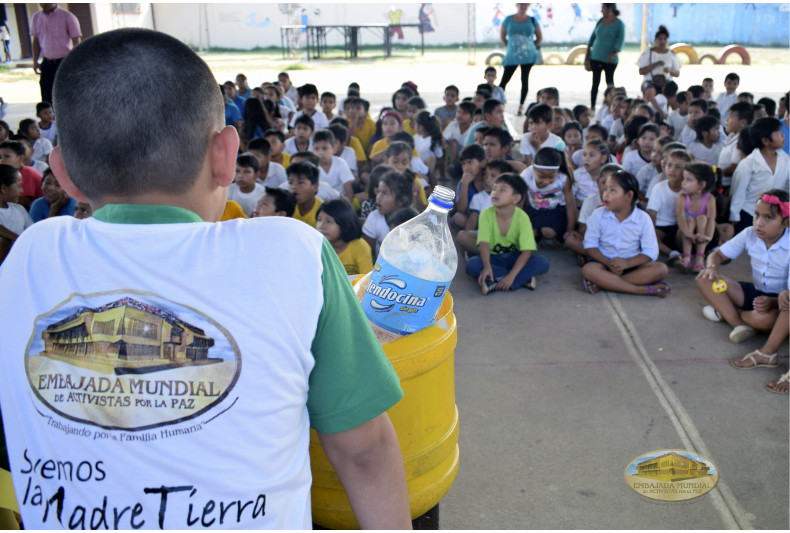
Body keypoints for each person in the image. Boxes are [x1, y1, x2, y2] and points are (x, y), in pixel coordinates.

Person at [0, 28, 411, 530]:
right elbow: (364, 452)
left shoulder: (28, 259)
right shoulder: (293, 254)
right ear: (224, 155)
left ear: (62, 174)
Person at [696, 190, 789, 346]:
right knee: (704, 277)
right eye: (757, 215)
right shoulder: (749, 234)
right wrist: (712, 267)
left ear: (786, 222)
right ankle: (739, 324)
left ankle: (725, 312)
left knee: (765, 321)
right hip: (753, 293)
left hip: (780, 303)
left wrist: (772, 302)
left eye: (769, 218)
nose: (759, 222)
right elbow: (717, 255)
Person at [582, 170, 670, 297]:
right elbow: (590, 246)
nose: (605, 194)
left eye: (612, 190)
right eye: (605, 189)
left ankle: (603, 284)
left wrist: (626, 264)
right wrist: (609, 264)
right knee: (589, 270)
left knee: (661, 269)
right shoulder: (598, 214)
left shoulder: (643, 218)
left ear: (628, 195)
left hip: (632, 264)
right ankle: (644, 290)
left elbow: (650, 252)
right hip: (604, 263)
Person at [466, 172, 550, 294]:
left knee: (542, 262)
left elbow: (527, 251)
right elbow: (484, 243)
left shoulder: (522, 217)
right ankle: (523, 279)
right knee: (472, 264)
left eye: (502, 190)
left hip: (515, 257)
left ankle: (495, 281)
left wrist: (511, 276)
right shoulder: (486, 214)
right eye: (494, 189)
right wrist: (487, 266)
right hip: (493, 257)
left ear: (516, 198)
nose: (495, 192)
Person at [729, 118, 790, 234]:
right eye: (778, 133)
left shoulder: (786, 160)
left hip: (775, 214)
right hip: (750, 212)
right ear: (766, 141)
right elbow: (739, 192)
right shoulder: (749, 163)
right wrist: (734, 216)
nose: (783, 136)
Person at [520, 145, 577, 246]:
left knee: (548, 232)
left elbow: (570, 205)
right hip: (534, 210)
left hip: (555, 211)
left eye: (551, 177)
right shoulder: (526, 176)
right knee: (529, 233)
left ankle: (548, 236)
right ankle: (537, 233)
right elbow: (520, 201)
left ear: (557, 172)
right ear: (533, 169)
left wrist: (570, 231)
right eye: (541, 176)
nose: (546, 181)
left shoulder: (563, 179)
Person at [30, 3, 81, 105]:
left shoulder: (67, 16)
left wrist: (76, 61)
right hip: (47, 62)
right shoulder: (36, 17)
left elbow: (76, 40)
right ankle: (49, 119)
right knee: (46, 94)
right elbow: (36, 41)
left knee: (66, 93)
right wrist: (35, 60)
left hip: (64, 61)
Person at [498, 3, 542, 116]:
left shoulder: (532, 20)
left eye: (525, 4)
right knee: (504, 80)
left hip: (528, 56)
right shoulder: (508, 19)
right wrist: (512, 46)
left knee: (524, 80)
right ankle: (498, 104)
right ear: (517, 5)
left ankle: (521, 106)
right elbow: (503, 36)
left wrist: (530, 46)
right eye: (521, 4)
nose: (523, 6)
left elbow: (539, 37)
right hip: (512, 55)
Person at [362, 169, 413, 261]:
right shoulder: (374, 218)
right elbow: (369, 253)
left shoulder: (412, 220)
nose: (378, 197)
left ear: (401, 200)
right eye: (378, 192)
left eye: (384, 193)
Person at [647, 148, 690, 258]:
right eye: (669, 165)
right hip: (661, 227)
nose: (672, 169)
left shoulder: (689, 189)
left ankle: (686, 255)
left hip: (679, 228)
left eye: (678, 167)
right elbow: (652, 214)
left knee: (686, 229)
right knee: (650, 236)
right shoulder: (659, 188)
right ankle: (672, 253)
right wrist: (652, 232)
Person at [674, 162, 717, 273]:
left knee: (702, 218)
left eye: (688, 180)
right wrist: (689, 234)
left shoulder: (710, 199)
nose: (683, 183)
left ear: (702, 185)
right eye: (684, 179)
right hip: (684, 237)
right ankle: (686, 257)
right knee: (689, 220)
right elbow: (680, 217)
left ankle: (699, 258)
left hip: (702, 241)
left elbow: (712, 220)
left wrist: (708, 236)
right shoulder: (682, 197)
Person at [317, 198, 373, 276]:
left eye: (328, 221)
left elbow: (366, 279)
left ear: (344, 224)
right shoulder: (317, 246)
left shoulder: (360, 247)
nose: (321, 226)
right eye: (319, 220)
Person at [585, 3, 625, 111]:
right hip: (596, 56)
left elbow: (620, 40)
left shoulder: (619, 24)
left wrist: (614, 53)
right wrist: (588, 52)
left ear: (610, 8)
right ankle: (593, 106)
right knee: (595, 83)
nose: (601, 11)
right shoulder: (600, 21)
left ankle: (611, 105)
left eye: (603, 8)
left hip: (610, 60)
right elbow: (592, 37)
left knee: (609, 82)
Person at [0, 164, 33, 265]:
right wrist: (19, 239)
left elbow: (32, 232)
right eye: (18, 186)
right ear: (3, 188)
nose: (22, 191)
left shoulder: (19, 209)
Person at [636, 25, 680, 100]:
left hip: (666, 82)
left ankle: (667, 111)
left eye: (665, 39)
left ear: (668, 40)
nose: (662, 41)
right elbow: (641, 71)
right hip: (650, 81)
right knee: (650, 90)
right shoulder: (648, 52)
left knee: (672, 91)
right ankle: (649, 109)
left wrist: (670, 70)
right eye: (660, 39)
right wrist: (655, 65)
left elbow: (677, 74)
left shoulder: (671, 54)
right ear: (655, 40)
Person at [312, 129, 355, 201]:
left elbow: (348, 191)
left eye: (324, 148)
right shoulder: (312, 166)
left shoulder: (341, 163)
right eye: (316, 149)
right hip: (320, 202)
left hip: (339, 200)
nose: (320, 152)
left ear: (334, 149)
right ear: (312, 150)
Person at [0, 139, 42, 209]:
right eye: (0, 157)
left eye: (7, 156)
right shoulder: (9, 173)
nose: (2, 160)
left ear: (20, 158)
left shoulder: (27, 172)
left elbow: (23, 201)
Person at [227, 152, 264, 217]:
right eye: (237, 171)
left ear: (257, 174)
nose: (240, 176)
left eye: (247, 172)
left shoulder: (262, 193)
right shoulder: (229, 190)